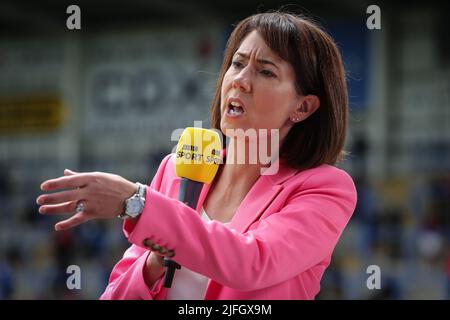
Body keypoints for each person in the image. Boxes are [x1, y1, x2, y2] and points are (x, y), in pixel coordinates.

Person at [37, 11, 357, 300]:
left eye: (266, 72)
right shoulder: (176, 167)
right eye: (237, 63)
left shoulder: (325, 188)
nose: (240, 81)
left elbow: (253, 263)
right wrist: (152, 264)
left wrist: (136, 203)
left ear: (303, 107)